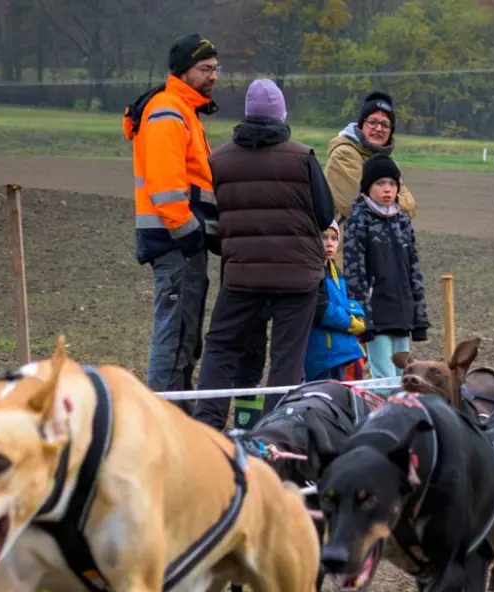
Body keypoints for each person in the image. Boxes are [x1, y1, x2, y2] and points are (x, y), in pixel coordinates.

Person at [192, 78, 334, 430]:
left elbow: (217, 214)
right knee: (286, 358)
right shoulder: (302, 157)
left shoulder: (219, 160)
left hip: (243, 276)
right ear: (282, 115)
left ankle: (207, 424)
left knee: (222, 347)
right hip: (298, 279)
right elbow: (325, 213)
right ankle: (276, 430)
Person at [124, 33, 221, 395]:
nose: (213, 76)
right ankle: (163, 413)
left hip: (181, 241)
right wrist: (190, 232)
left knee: (185, 335)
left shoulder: (183, 111)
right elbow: (165, 187)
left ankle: (176, 411)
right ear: (184, 71)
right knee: (174, 335)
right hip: (175, 242)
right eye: (205, 68)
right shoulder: (168, 111)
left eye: (215, 68)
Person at [344, 155, 428, 381]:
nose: (387, 189)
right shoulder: (359, 221)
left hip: (402, 313)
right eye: (380, 183)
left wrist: (418, 317)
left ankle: (403, 415)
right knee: (384, 379)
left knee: (405, 377)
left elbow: (414, 269)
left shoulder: (403, 221)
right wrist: (363, 318)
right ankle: (382, 415)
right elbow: (354, 273)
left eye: (392, 184)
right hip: (377, 315)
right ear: (368, 187)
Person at [325, 91, 417, 224]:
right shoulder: (344, 155)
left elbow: (410, 210)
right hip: (352, 241)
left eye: (385, 125)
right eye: (372, 122)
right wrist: (397, 201)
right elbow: (355, 207)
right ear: (362, 124)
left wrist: (385, 202)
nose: (378, 129)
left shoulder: (389, 163)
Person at [305, 222, 369, 382]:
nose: (329, 243)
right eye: (324, 237)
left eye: (334, 238)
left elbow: (349, 300)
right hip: (323, 352)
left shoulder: (336, 272)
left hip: (342, 348)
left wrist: (358, 315)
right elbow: (321, 307)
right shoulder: (312, 270)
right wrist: (349, 322)